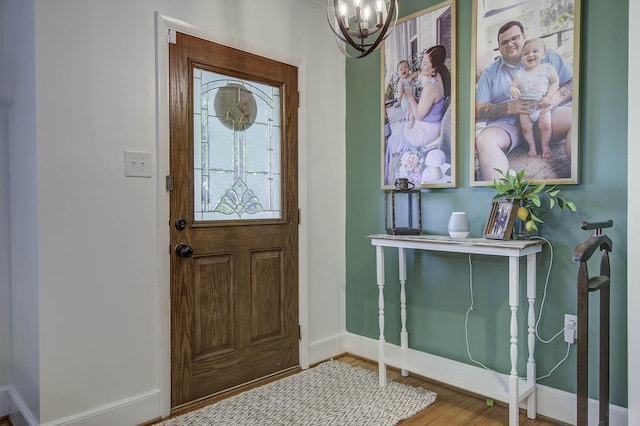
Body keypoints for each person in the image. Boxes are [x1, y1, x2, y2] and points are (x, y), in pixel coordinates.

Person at [475, 21, 573, 181]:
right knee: (484, 140)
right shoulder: (490, 72)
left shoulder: (547, 56)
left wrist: (552, 99)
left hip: (546, 113)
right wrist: (510, 108)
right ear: (499, 47)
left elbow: (574, 81)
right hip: (508, 123)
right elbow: (477, 108)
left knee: (575, 119)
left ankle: (582, 186)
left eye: (515, 38)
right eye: (504, 42)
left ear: (524, 37)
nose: (510, 44)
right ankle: (501, 201)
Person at [385, 45, 451, 184]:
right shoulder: (437, 77)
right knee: (399, 130)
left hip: (426, 130)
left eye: (425, 63)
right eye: (422, 61)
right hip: (430, 124)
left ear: (434, 68)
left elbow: (419, 115)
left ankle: (391, 181)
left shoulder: (431, 87)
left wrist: (409, 96)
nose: (421, 65)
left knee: (393, 139)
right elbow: (424, 105)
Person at [508, 38, 559, 158]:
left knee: (546, 126)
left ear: (544, 54)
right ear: (521, 58)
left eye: (535, 51)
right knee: (526, 128)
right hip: (526, 107)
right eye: (526, 53)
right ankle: (532, 146)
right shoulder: (520, 73)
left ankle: (545, 146)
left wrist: (549, 97)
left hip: (542, 104)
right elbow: (513, 86)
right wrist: (513, 90)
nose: (530, 55)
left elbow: (555, 83)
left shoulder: (547, 68)